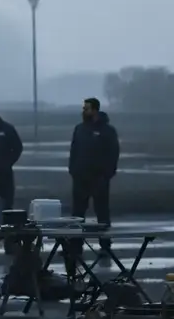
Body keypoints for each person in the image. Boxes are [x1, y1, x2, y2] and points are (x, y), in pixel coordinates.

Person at [68, 96, 119, 259]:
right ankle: (75, 246)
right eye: (84, 108)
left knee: (102, 213)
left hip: (99, 179)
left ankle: (105, 247)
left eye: (87, 108)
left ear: (95, 110)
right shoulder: (80, 129)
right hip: (80, 178)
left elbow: (113, 154)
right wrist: (73, 170)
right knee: (77, 214)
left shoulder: (107, 130)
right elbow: (74, 151)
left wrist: (107, 175)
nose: (84, 111)